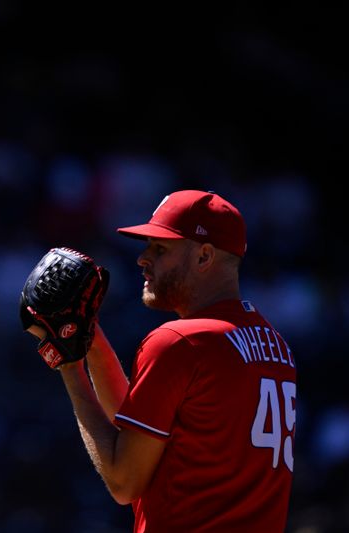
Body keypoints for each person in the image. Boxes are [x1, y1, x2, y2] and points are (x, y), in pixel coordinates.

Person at [49, 190, 296, 532]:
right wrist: (88, 339)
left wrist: (69, 366)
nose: (142, 258)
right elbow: (138, 429)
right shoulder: (276, 348)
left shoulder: (181, 342)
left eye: (160, 248)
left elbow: (125, 482)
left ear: (204, 256)